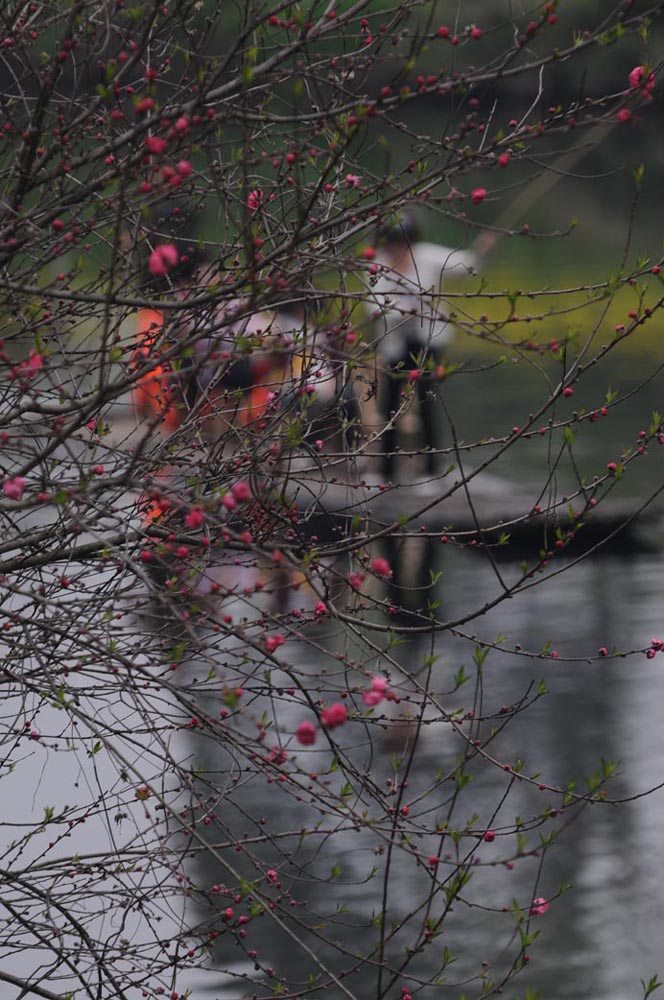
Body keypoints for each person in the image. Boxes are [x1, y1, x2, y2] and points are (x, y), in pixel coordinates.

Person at [369, 215, 487, 479]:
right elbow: (374, 308)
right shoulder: (378, 266)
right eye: (394, 244)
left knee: (427, 401)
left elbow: (466, 264)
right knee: (390, 404)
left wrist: (481, 250)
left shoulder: (427, 256)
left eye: (403, 243)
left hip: (429, 341)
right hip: (395, 345)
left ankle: (431, 471)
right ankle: (386, 472)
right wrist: (405, 311)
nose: (398, 250)